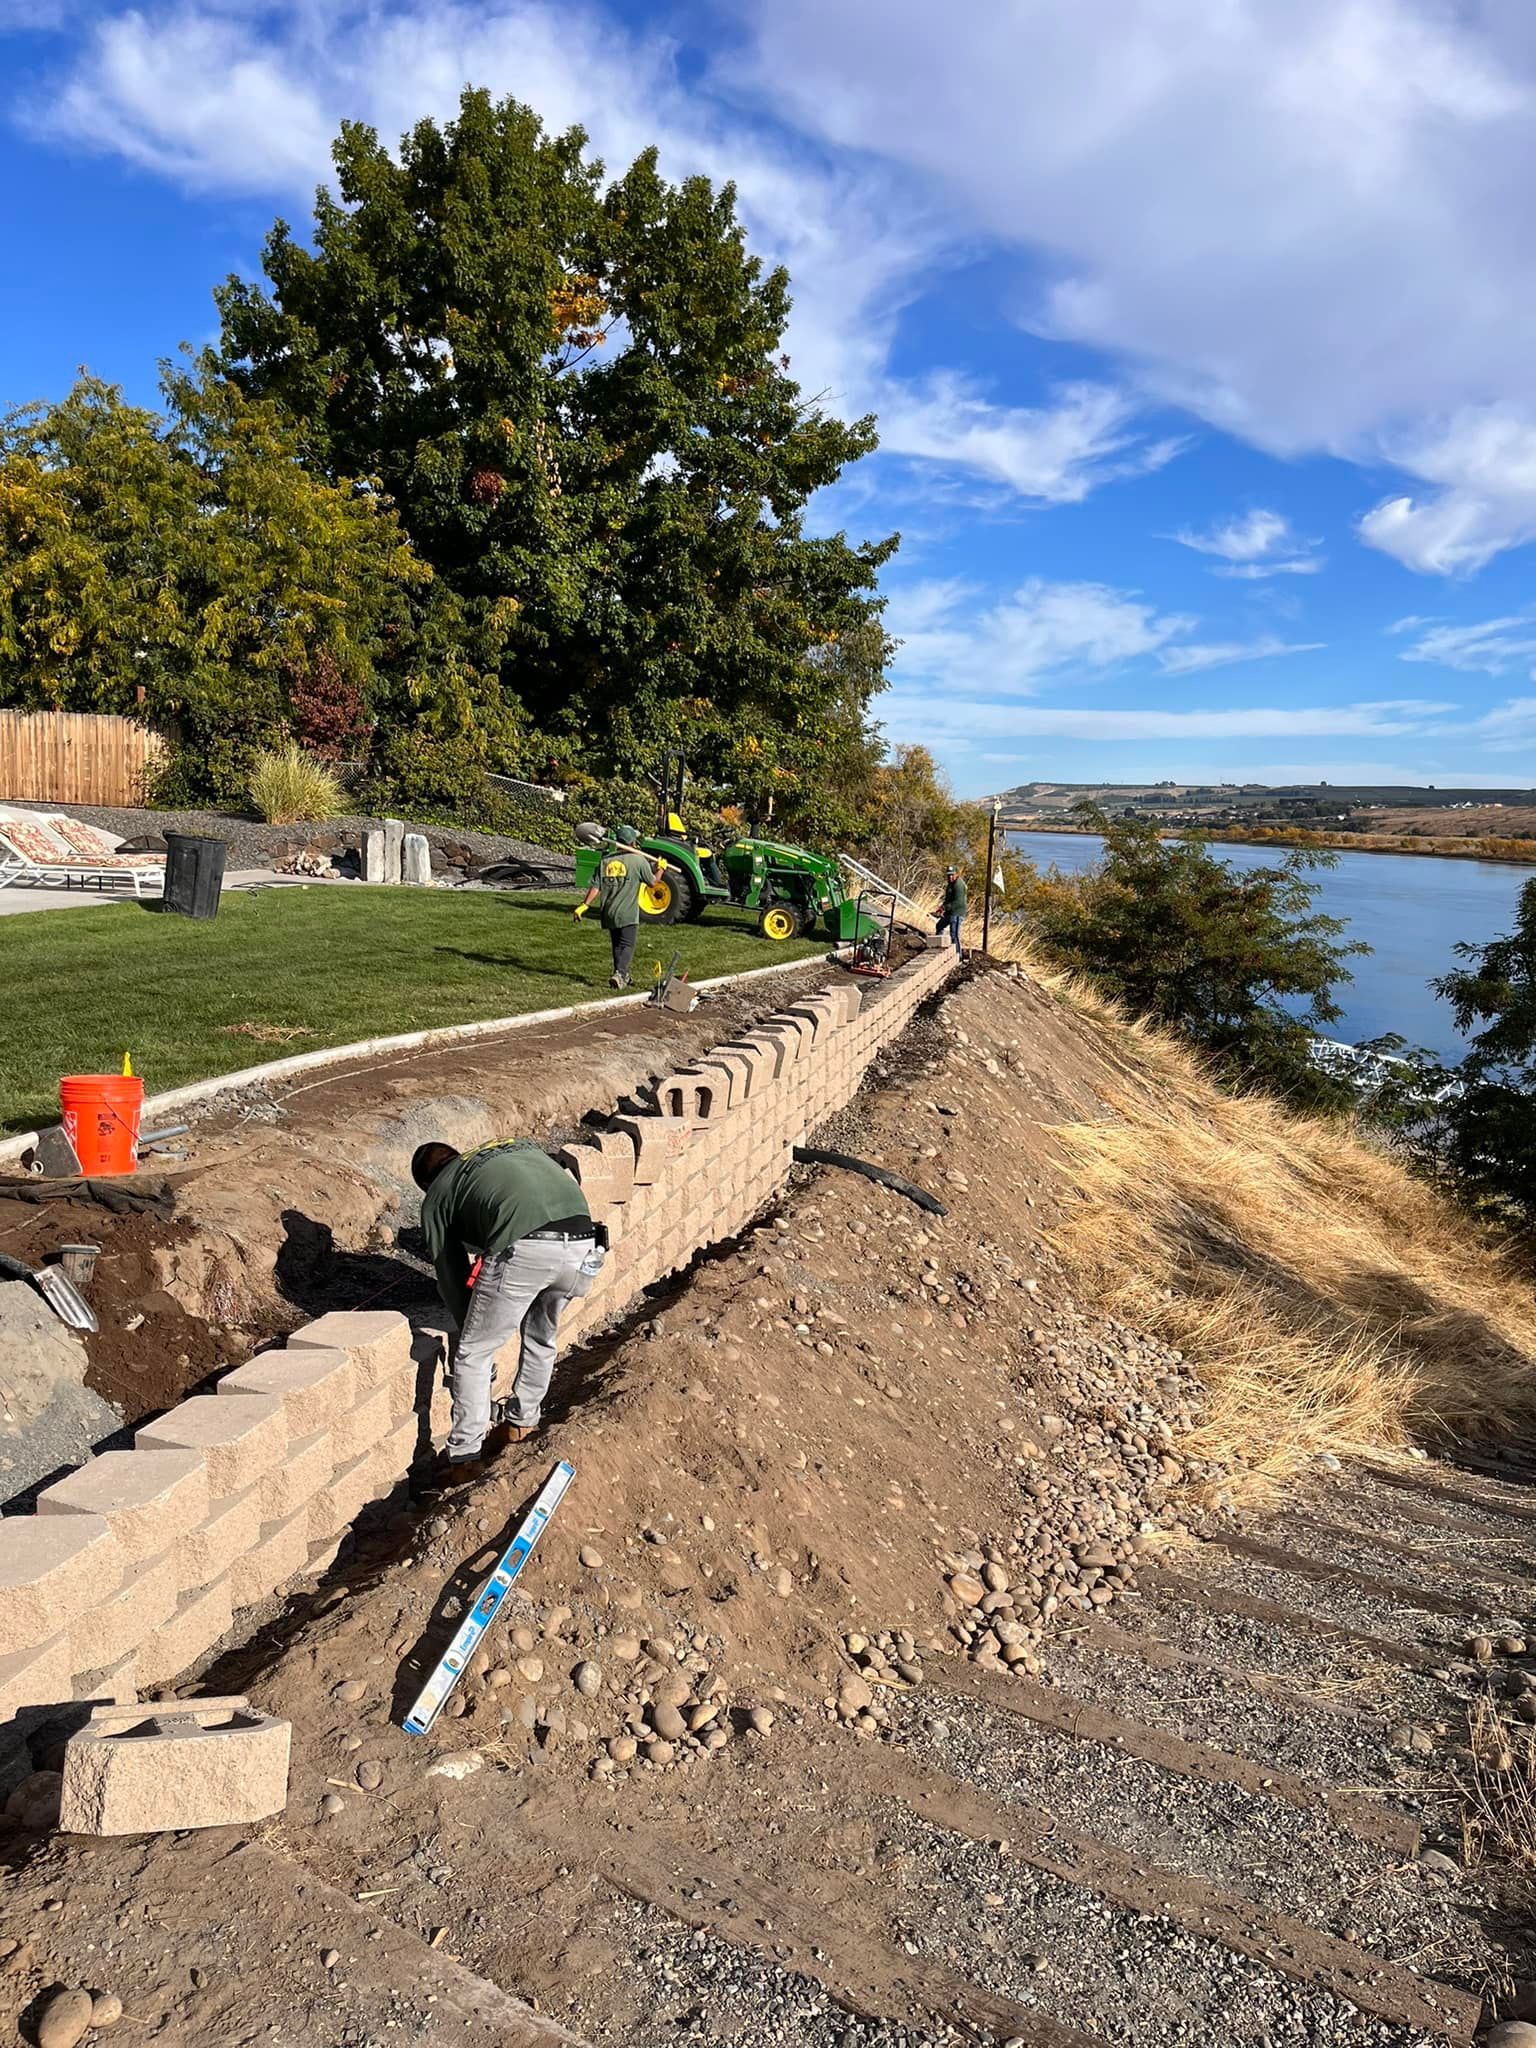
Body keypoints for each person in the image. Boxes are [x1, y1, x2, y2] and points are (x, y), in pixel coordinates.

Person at [412, 1138, 601, 1486]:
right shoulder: (513, 1149)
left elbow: (450, 1271)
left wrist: (469, 1323)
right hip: (583, 1244)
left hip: (526, 1248)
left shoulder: (439, 1191)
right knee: (541, 1337)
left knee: (474, 1353)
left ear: (427, 1182)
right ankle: (521, 1424)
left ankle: (465, 1458)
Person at [574, 825, 663, 988]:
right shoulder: (638, 860)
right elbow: (653, 883)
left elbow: (595, 886)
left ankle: (623, 975)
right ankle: (620, 974)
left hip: (609, 911)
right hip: (627, 912)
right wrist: (661, 869)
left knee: (616, 944)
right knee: (627, 944)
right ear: (633, 842)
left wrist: (584, 905)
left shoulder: (606, 861)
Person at [938, 865, 967, 954]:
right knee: (939, 926)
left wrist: (945, 908)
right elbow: (948, 900)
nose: (950, 877)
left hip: (957, 913)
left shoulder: (959, 885)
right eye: (948, 875)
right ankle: (939, 947)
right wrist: (942, 907)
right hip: (949, 912)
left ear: (956, 874)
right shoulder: (950, 884)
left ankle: (958, 955)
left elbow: (958, 902)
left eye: (952, 875)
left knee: (954, 935)